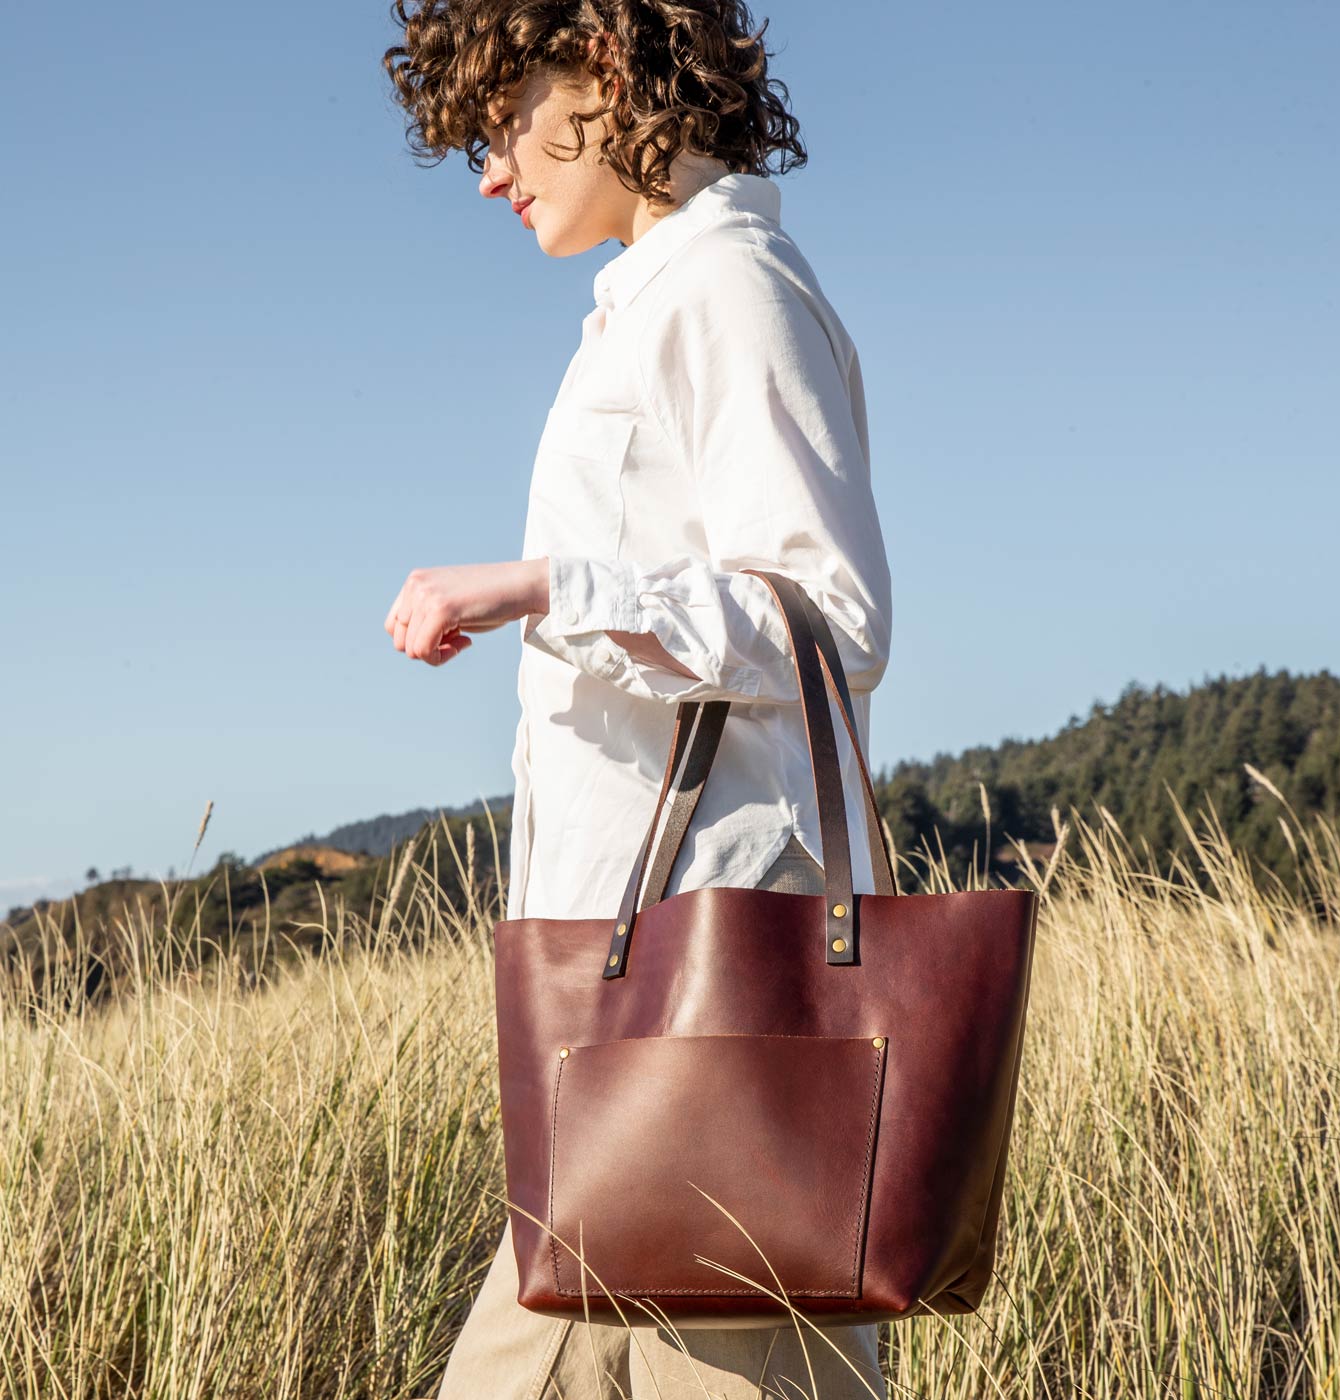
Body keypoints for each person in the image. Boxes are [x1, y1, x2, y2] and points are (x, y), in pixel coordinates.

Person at [382, 3, 893, 1396]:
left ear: (606, 74)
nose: (490, 170)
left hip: (715, 994)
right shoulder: (643, 305)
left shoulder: (731, 288)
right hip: (621, 1018)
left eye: (503, 118)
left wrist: (551, 587)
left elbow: (831, 620)